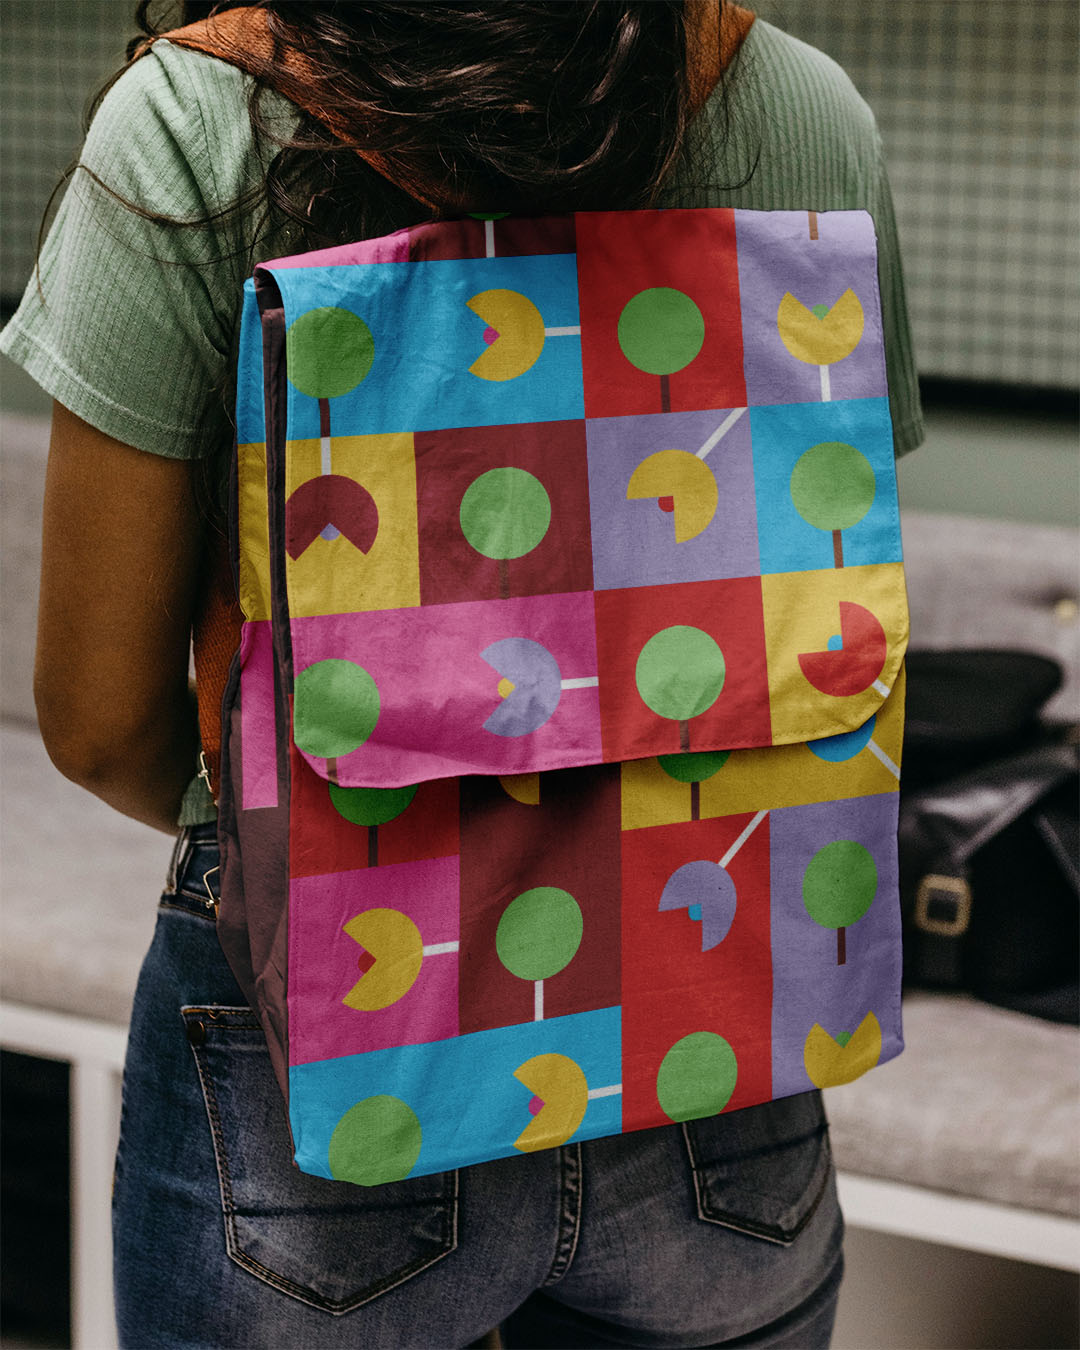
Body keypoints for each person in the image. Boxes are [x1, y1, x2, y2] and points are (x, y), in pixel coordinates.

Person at [2, 3, 923, 1345]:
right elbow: (825, 569)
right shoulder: (800, 105)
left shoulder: (195, 126)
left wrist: (335, 797)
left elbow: (99, 721)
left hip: (332, 1070)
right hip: (718, 1034)